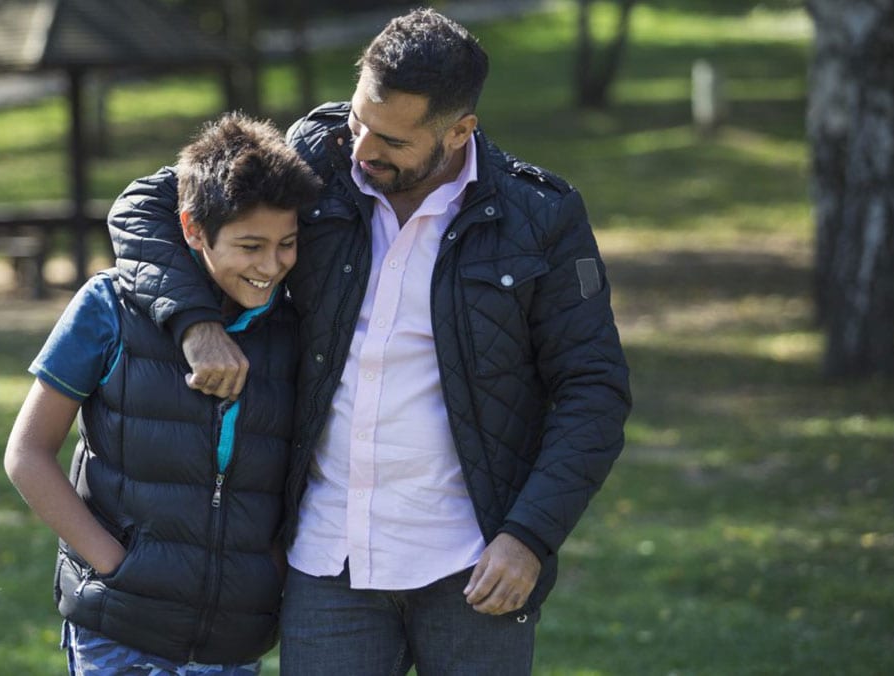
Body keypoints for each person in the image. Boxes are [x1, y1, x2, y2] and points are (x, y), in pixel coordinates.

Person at [106, 9, 632, 675]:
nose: (360, 149)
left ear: (459, 131)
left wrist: (529, 537)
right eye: (358, 119)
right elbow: (144, 207)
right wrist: (196, 323)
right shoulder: (317, 153)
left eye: (389, 139)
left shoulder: (542, 217)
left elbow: (594, 391)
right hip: (328, 562)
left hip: (474, 566)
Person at [4, 112, 322, 675]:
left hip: (232, 642)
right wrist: (112, 563)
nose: (271, 266)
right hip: (118, 629)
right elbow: (26, 453)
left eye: (287, 244)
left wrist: (267, 572)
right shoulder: (109, 306)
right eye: (251, 246)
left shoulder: (295, 332)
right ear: (193, 229)